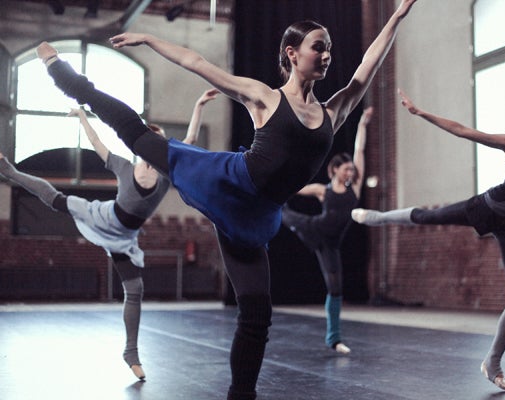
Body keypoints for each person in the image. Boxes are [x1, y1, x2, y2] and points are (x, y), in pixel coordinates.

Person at [36, 1, 417, 398]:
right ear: (292, 53)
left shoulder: (333, 112)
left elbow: (367, 67)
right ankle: (68, 79)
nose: (326, 55)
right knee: (140, 138)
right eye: (318, 47)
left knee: (257, 314)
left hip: (256, 217)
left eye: (329, 49)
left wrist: (396, 16)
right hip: (227, 184)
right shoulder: (264, 97)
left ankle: (241, 394)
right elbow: (197, 62)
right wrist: (149, 38)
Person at [352, 89, 505, 392]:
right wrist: (421, 113)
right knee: (431, 216)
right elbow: (463, 131)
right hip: (486, 209)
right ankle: (379, 217)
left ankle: (492, 363)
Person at [0, 88, 219, 381]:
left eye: (160, 141)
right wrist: (82, 116)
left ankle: (131, 353)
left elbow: (190, 142)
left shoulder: (167, 175)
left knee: (135, 290)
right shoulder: (123, 166)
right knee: (56, 199)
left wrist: (199, 104)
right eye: (151, 140)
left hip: (124, 238)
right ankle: (9, 171)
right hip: (102, 216)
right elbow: (96, 143)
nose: (156, 146)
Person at [281, 106, 372, 355]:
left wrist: (362, 125)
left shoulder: (354, 188)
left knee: (336, 289)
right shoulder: (323, 190)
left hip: (331, 244)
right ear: (335, 170)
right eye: (346, 169)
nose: (350, 172)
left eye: (351, 170)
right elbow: (295, 189)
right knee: (284, 212)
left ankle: (334, 339)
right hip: (314, 230)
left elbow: (359, 151)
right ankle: (272, 207)